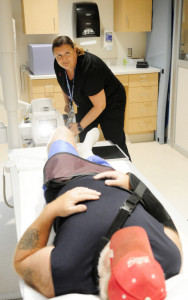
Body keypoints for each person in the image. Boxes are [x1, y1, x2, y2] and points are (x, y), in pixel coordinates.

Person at [14, 127, 182, 299]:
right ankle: (87, 150)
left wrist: (52, 210)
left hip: (67, 176)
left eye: (122, 249)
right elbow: (167, 221)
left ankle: (84, 150)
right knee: (96, 160)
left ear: (103, 276)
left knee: (63, 132)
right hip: (111, 177)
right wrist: (135, 184)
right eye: (138, 249)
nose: (129, 239)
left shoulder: (65, 271)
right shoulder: (169, 258)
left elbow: (21, 260)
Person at [52, 35, 131, 160]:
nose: (64, 59)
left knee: (114, 138)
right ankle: (90, 168)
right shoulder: (59, 65)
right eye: (59, 55)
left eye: (67, 53)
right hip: (87, 102)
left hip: (111, 101)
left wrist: (79, 126)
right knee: (85, 140)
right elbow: (63, 83)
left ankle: (127, 174)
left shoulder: (89, 68)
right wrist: (68, 102)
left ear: (74, 51)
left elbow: (100, 106)